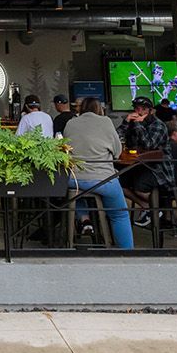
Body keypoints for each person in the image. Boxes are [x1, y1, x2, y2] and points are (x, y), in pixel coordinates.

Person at [65, 98, 133, 249]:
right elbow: (117, 152)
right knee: (119, 215)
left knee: (78, 194)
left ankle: (84, 219)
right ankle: (128, 253)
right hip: (102, 180)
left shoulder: (70, 123)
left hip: (74, 179)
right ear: (99, 109)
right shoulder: (106, 122)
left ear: (80, 109)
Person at [117, 96, 174, 225]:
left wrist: (138, 124)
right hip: (140, 165)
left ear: (151, 111)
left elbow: (149, 145)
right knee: (119, 182)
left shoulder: (159, 125)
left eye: (143, 109)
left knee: (139, 185)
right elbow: (116, 137)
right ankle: (148, 207)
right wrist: (126, 122)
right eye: (137, 108)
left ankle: (159, 207)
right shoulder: (133, 123)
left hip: (159, 169)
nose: (139, 112)